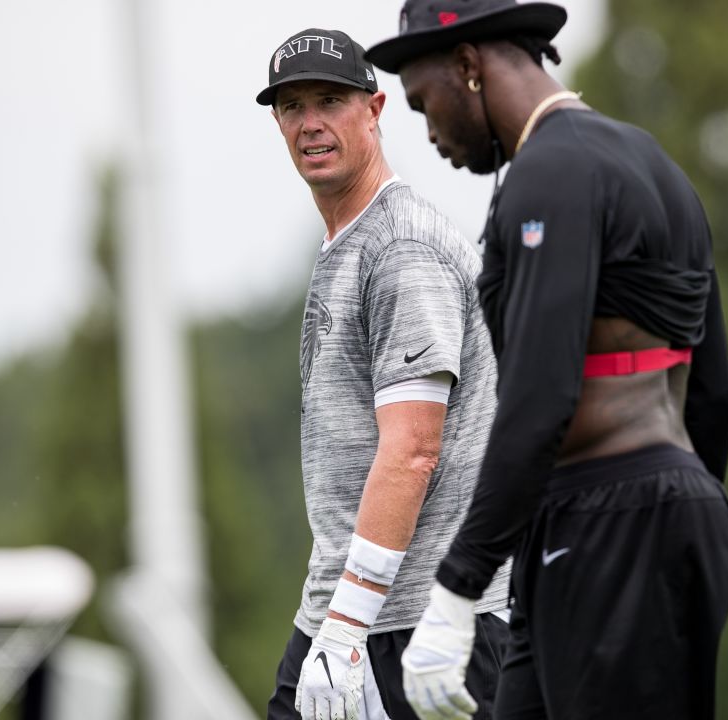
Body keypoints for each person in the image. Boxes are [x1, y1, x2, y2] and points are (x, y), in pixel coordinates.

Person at [366, 1, 728, 718]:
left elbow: (540, 396)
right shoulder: (657, 166)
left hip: (608, 522)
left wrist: (457, 585)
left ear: (469, 66)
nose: (429, 131)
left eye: (422, 103)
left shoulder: (549, 174)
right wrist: (688, 523)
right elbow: (713, 393)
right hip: (643, 516)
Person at [256, 28, 512, 720]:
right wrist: (333, 625)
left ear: (374, 109)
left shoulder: (401, 246)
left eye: (331, 101)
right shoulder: (352, 240)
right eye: (292, 106)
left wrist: (345, 629)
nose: (310, 123)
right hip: (349, 613)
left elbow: (412, 450)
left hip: (416, 620)